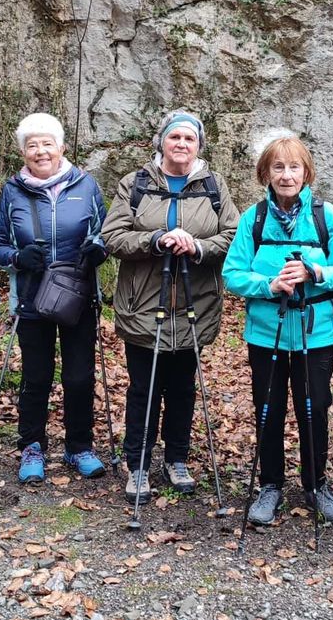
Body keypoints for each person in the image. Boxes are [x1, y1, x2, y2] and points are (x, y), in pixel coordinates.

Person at [102, 110, 240, 504]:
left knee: (183, 388)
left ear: (199, 145)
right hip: (145, 303)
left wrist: (197, 247)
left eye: (189, 139)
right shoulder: (135, 183)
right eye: (174, 137)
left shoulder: (214, 184)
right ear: (161, 140)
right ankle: (139, 464)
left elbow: (233, 236)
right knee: (143, 388)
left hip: (196, 304)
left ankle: (176, 458)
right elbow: (112, 235)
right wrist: (157, 240)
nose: (181, 144)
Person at [223, 129, 333, 526]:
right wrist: (269, 285)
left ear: (306, 172)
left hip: (317, 333)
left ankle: (316, 485)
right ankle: (270, 485)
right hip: (266, 333)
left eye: (294, 167)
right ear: (266, 173)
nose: (286, 175)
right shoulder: (255, 218)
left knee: (313, 409)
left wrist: (314, 272)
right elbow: (232, 274)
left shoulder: (325, 215)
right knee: (270, 409)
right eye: (278, 167)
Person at [0, 113, 110, 483]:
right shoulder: (13, 191)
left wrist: (98, 250)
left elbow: (108, 231)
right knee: (36, 376)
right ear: (23, 151)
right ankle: (32, 447)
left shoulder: (87, 185)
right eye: (32, 145)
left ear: (61, 147)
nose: (40, 151)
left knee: (78, 376)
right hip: (32, 296)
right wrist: (16, 258)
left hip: (77, 295)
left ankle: (79, 446)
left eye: (47, 143)